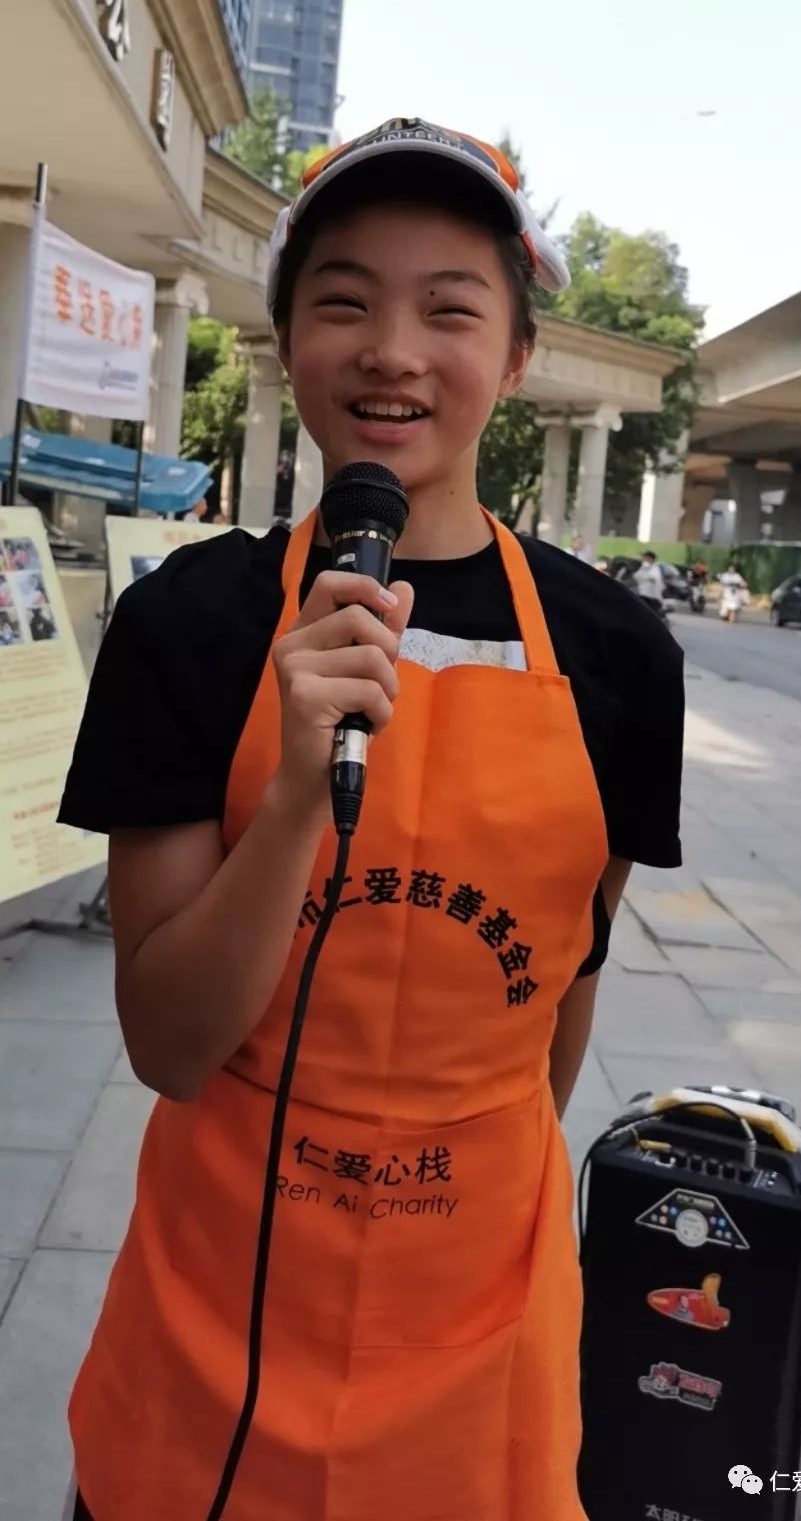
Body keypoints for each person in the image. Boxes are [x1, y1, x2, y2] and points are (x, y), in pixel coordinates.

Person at [58, 117, 684, 1521]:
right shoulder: (193, 622)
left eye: (448, 309)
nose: (393, 351)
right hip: (215, 1324)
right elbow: (168, 1044)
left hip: (482, 1329)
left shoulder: (618, 653)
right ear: (285, 345)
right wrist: (295, 790)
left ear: (514, 359)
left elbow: (562, 989)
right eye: (342, 302)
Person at [633, 548, 667, 613]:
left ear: (651, 559)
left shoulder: (655, 569)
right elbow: (636, 576)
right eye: (644, 558)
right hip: (643, 596)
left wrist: (646, 577)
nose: (644, 560)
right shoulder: (643, 568)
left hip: (652, 599)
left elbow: (654, 578)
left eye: (646, 558)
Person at [719, 558, 748, 623]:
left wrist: (743, 584)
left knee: (737, 605)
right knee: (724, 607)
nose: (731, 570)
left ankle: (732, 616)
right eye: (730, 568)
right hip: (727, 593)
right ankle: (725, 614)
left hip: (735, 593)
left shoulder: (737, 576)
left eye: (732, 568)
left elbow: (743, 583)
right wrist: (721, 592)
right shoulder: (725, 576)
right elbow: (722, 584)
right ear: (728, 569)